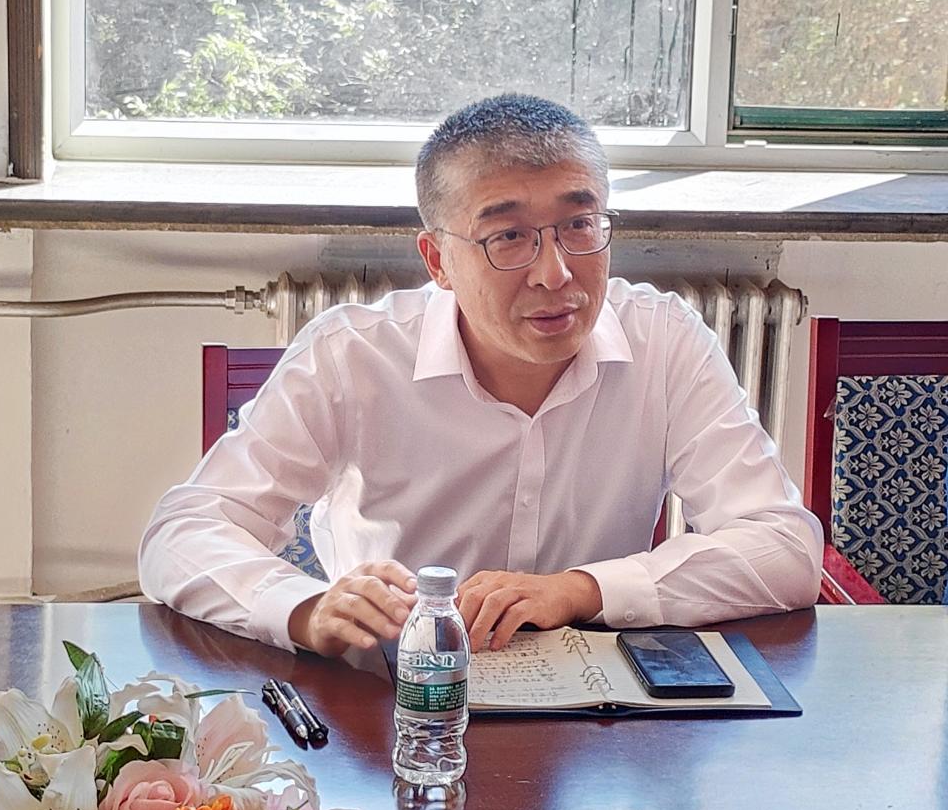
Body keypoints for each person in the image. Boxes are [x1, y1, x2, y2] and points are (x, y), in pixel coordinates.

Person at [139, 94, 822, 658]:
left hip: (591, 712)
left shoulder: (664, 341)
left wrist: (578, 590)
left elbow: (784, 548)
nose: (555, 273)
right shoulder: (353, 356)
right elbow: (184, 532)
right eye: (508, 237)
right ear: (438, 261)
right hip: (388, 699)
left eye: (580, 225)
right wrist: (304, 607)